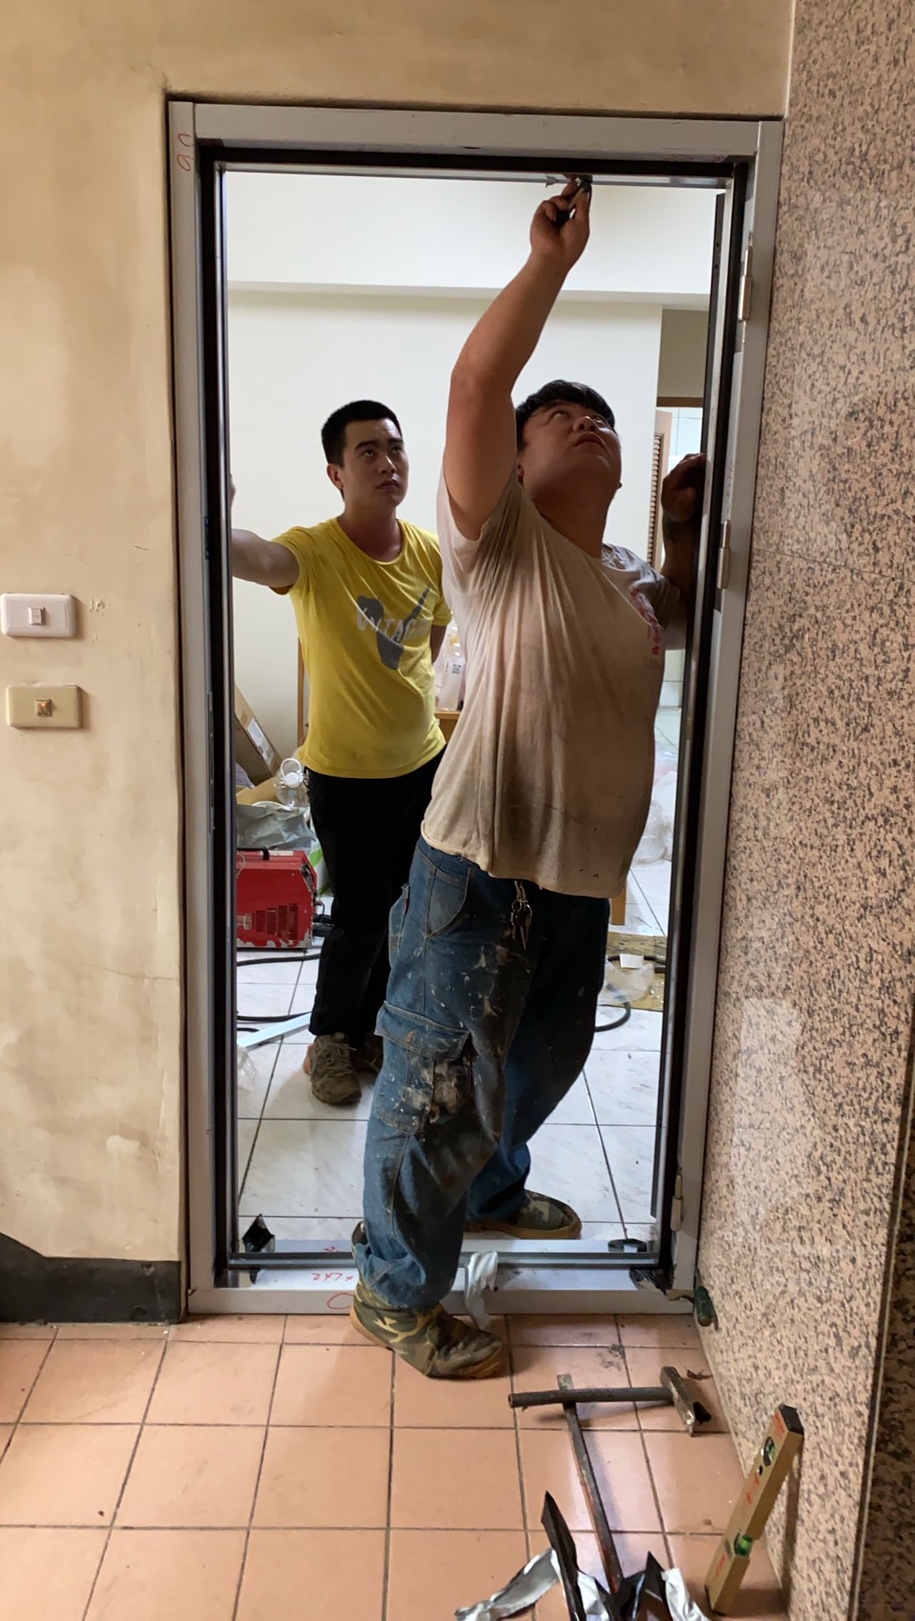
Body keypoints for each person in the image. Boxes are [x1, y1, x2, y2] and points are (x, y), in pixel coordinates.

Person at [351, 184, 704, 1376]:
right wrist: (550, 264)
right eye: (558, 415)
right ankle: (394, 1289)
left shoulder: (622, 576)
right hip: (480, 868)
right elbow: (472, 388)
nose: (586, 422)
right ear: (513, 457)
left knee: (540, 1062)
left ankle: (492, 1190)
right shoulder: (499, 549)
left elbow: (682, 611)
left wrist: (681, 529)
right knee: (438, 1085)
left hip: (577, 880)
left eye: (601, 418)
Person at [231, 401, 452, 1106]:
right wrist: (213, 506)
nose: (388, 463)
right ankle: (328, 1039)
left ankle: (369, 1031)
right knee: (359, 915)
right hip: (346, 776)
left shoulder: (428, 552)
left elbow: (425, 649)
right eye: (368, 452)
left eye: (395, 448)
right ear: (337, 473)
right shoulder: (316, 551)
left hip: (422, 765)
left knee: (404, 911)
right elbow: (253, 556)